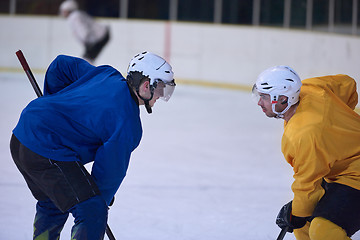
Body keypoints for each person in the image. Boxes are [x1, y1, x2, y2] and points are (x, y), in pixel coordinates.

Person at [10, 51, 176, 239]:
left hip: (22, 135)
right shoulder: (128, 123)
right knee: (92, 211)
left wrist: (54, 102)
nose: (161, 96)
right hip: (47, 150)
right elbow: (108, 175)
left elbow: (61, 66)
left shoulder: (107, 74)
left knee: (55, 200)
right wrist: (97, 198)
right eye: (161, 88)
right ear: (146, 85)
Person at [252, 66, 360, 240]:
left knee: (322, 231)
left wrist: (297, 213)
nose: (259, 102)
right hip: (343, 169)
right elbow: (347, 83)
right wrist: (339, 124)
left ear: (282, 99)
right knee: (303, 226)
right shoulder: (311, 88)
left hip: (355, 175)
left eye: (264, 97)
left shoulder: (304, 134)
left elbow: (307, 183)